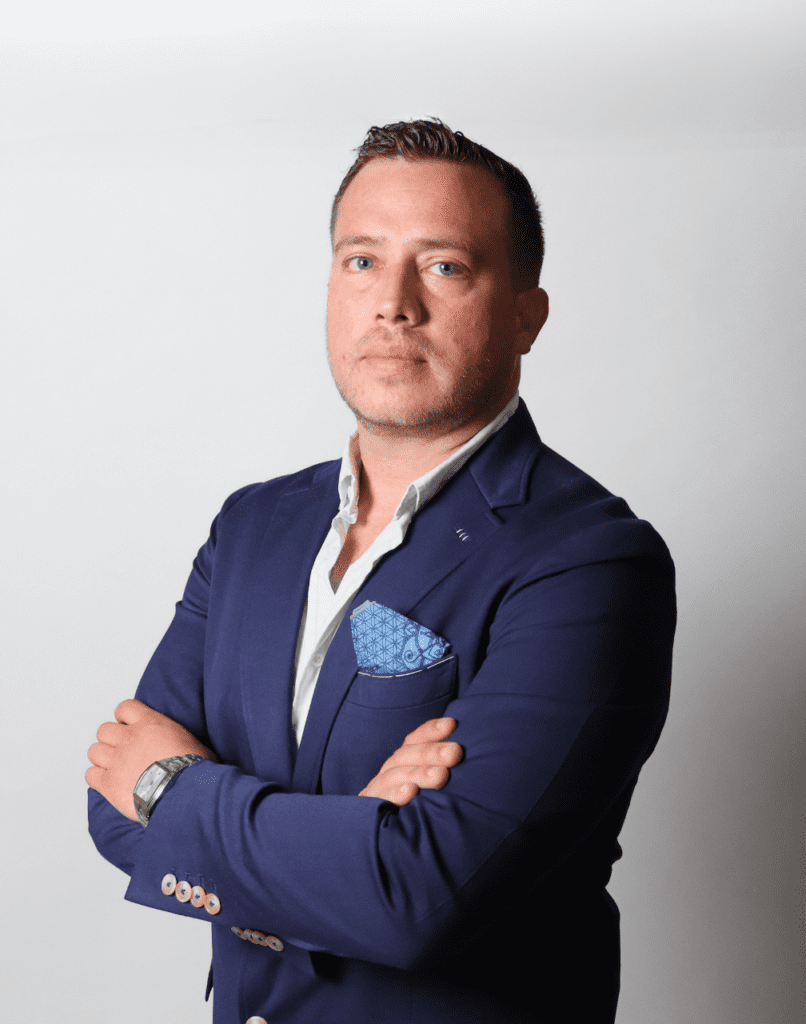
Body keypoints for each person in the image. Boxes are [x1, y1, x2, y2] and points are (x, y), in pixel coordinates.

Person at [87, 118, 676, 1024]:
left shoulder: (591, 562)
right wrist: (343, 843)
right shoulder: (252, 528)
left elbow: (415, 897)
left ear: (527, 316)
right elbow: (109, 803)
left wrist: (173, 788)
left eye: (444, 265)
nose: (393, 303)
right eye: (362, 260)